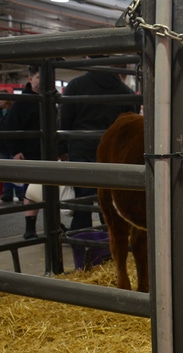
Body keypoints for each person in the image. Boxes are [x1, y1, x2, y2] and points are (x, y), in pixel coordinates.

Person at [58, 56, 137, 232]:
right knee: (107, 200)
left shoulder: (76, 86)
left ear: (87, 59)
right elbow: (131, 125)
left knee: (82, 199)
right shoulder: (124, 91)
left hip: (82, 149)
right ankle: (107, 241)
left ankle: (82, 239)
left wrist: (61, 148)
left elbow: (65, 120)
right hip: (111, 152)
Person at [0, 65, 44, 239]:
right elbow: (12, 128)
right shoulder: (21, 102)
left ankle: (52, 225)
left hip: (49, 152)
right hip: (30, 153)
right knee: (31, 191)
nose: (42, 80)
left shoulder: (51, 99)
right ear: (30, 79)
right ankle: (30, 228)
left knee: (51, 190)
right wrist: (16, 150)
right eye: (39, 77)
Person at [0, 88, 25, 203]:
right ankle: (7, 193)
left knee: (16, 170)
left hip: (11, 144)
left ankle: (21, 192)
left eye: (0, 99)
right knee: (5, 170)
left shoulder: (13, 110)